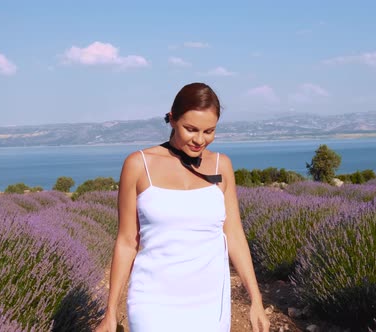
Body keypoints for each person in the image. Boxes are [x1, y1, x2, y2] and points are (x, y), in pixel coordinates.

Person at [95, 82, 270, 332]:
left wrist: (256, 300)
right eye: (191, 129)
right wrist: (110, 313)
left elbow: (234, 235)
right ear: (172, 119)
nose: (200, 140)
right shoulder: (138, 164)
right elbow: (126, 241)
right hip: (152, 301)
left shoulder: (223, 165)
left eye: (209, 131)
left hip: (210, 303)